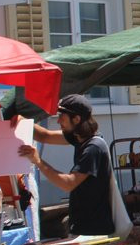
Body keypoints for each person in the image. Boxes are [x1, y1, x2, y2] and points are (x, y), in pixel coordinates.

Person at [18, 94, 113, 235]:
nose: (58, 121)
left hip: (93, 231)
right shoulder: (79, 137)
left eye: (62, 116)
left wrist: (38, 161)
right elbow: (45, 136)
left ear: (76, 119)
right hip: (83, 227)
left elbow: (68, 184)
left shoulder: (93, 147)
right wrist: (21, 120)